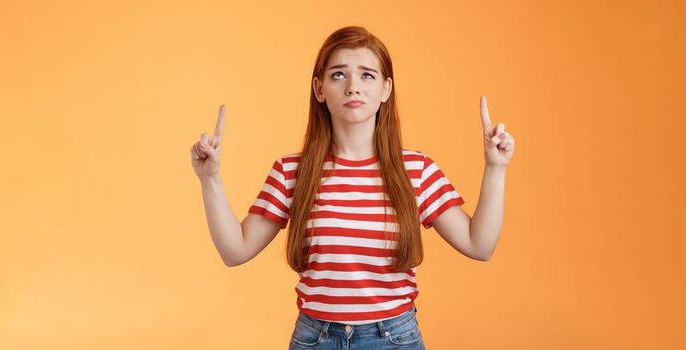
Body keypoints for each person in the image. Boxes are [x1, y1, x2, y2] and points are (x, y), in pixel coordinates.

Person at [190, 26, 515, 350]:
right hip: (315, 339)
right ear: (319, 89)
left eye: (368, 75)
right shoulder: (292, 171)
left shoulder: (416, 170)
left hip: (393, 339)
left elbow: (479, 245)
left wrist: (496, 169)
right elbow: (235, 251)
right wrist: (210, 178)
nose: (353, 87)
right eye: (338, 75)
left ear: (386, 89)